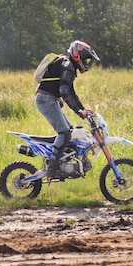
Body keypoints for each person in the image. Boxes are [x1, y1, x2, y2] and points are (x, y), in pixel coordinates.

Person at [35, 40, 100, 178]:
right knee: (64, 132)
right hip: (46, 99)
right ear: (77, 55)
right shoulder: (67, 66)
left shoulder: (68, 66)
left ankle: (64, 164)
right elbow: (64, 93)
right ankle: (53, 167)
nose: (87, 63)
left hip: (49, 99)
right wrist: (78, 111)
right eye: (85, 59)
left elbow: (71, 92)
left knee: (69, 131)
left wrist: (83, 109)